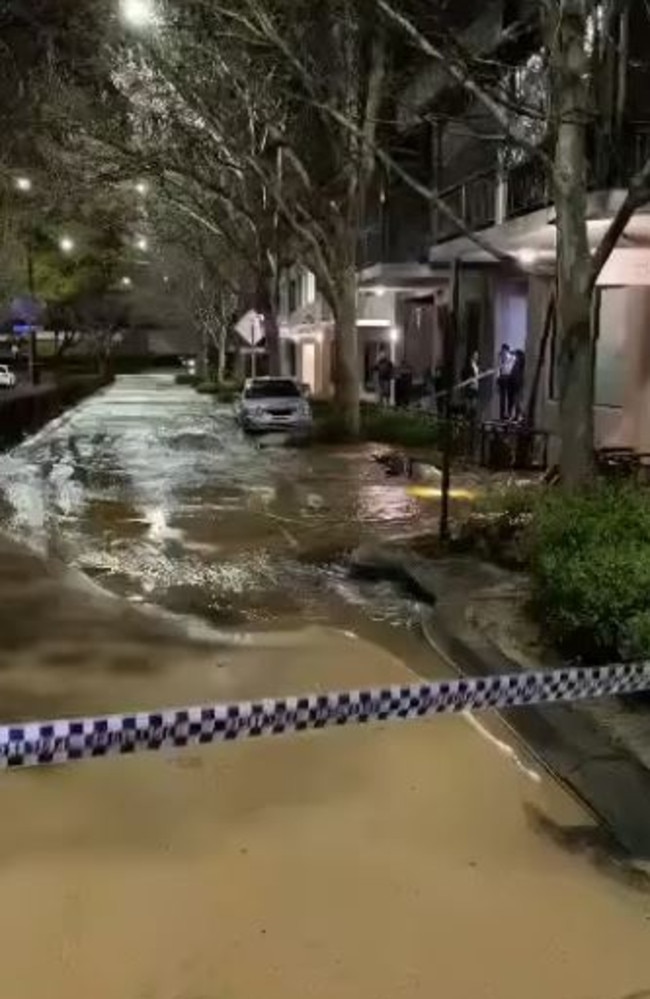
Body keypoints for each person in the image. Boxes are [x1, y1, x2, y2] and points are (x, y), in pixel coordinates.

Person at [497, 343, 515, 421]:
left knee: (510, 396)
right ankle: (502, 414)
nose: (503, 352)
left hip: (509, 377)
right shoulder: (500, 358)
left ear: (507, 350)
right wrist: (498, 378)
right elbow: (498, 368)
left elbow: (512, 367)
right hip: (502, 377)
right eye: (502, 350)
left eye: (504, 350)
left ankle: (509, 413)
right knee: (502, 397)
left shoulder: (512, 358)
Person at [509, 349, 526, 421]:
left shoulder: (519, 363)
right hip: (515, 384)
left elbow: (517, 374)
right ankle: (516, 415)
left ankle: (521, 414)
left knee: (517, 400)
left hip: (517, 384)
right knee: (516, 400)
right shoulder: (517, 363)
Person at [463, 349, 480, 419]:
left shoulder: (477, 366)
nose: (477, 357)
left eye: (477, 355)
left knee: (474, 406)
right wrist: (469, 379)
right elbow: (464, 374)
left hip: (475, 387)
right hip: (469, 387)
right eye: (475, 355)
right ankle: (467, 419)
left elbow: (478, 375)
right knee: (468, 406)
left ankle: (472, 420)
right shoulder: (468, 365)